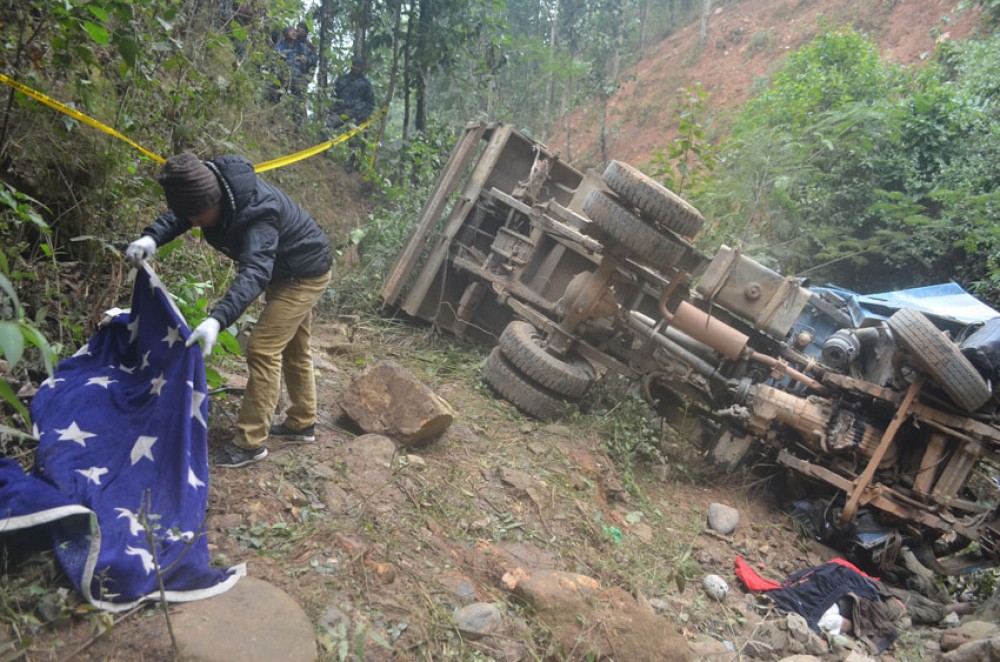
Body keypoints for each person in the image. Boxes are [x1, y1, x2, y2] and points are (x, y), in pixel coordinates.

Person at [125, 153, 333, 468]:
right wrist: (152, 236)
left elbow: (255, 273)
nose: (193, 224)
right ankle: (302, 422)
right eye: (190, 215)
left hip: (303, 273)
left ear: (215, 201)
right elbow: (184, 215)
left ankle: (251, 443)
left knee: (263, 348)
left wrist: (217, 319)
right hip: (286, 268)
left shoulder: (258, 213)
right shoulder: (209, 191)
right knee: (294, 347)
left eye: (198, 216)